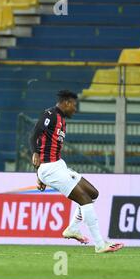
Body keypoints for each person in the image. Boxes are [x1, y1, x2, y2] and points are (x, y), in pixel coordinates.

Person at [29, 90, 124, 253]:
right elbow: (34, 136)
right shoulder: (50, 114)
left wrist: (39, 174)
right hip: (50, 168)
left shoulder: (62, 121)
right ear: (66, 103)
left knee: (92, 193)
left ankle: (72, 228)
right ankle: (100, 244)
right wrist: (37, 162)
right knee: (85, 200)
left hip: (58, 165)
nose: (75, 108)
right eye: (74, 105)